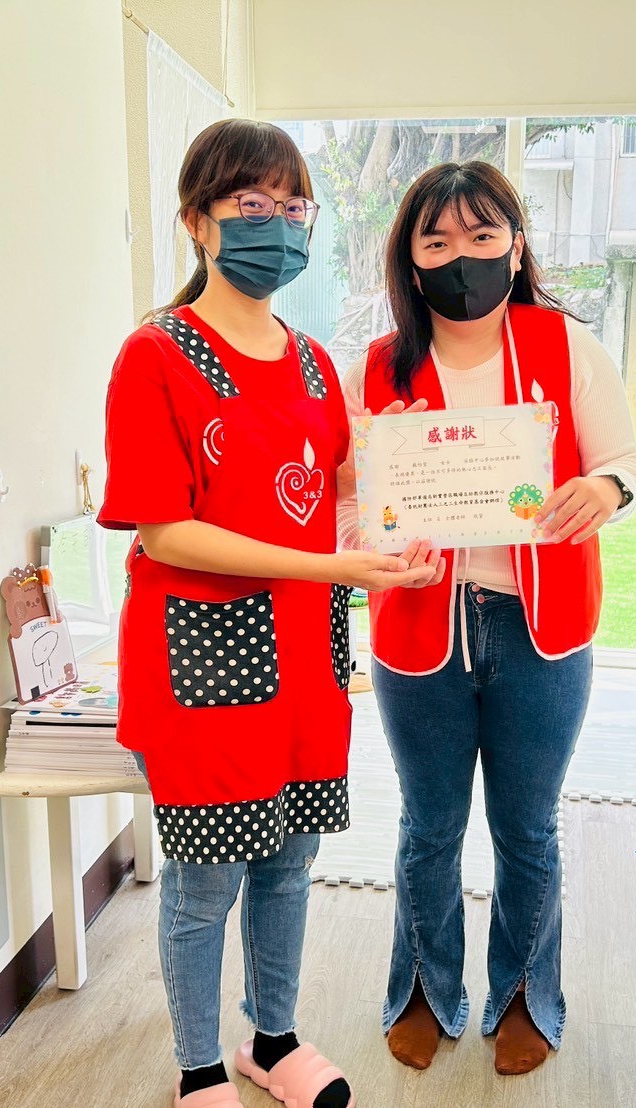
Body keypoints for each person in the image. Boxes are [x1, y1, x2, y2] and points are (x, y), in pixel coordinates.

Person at [98, 118, 433, 1108]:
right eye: (252, 204)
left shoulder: (315, 362)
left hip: (303, 661)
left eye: (294, 208)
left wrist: (409, 464)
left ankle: (274, 1041)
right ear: (197, 220)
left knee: (290, 861)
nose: (277, 225)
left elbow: (329, 483)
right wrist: (331, 564)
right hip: (201, 664)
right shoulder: (154, 355)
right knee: (205, 881)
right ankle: (198, 1065)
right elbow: (165, 531)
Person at [337, 161, 636, 1076]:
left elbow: (629, 463)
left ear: (516, 248)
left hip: (540, 627)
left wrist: (603, 489)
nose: (460, 258)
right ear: (410, 260)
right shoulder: (377, 366)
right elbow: (348, 499)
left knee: (527, 827)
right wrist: (374, 541)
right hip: (419, 626)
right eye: (436, 242)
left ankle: (523, 994)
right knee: (428, 826)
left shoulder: (565, 347)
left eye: (481, 236)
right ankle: (422, 989)